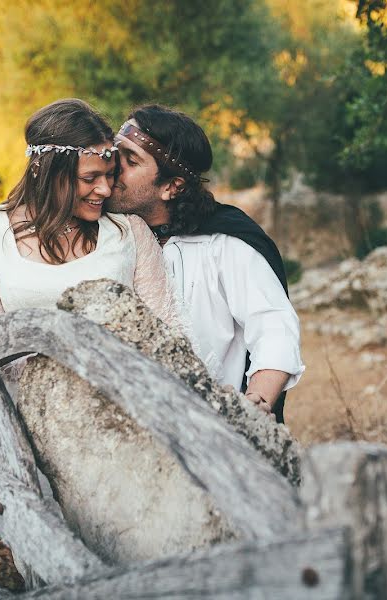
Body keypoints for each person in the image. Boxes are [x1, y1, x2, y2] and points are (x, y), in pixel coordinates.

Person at [0, 98, 179, 461]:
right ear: (47, 171)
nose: (105, 190)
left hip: (123, 425)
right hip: (25, 426)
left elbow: (168, 326)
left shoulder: (128, 232)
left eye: (109, 175)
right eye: (89, 178)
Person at [107, 104, 304, 423]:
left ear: (172, 187)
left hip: (208, 430)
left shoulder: (226, 244)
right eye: (114, 153)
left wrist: (255, 405)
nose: (113, 168)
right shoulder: (100, 236)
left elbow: (273, 328)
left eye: (130, 161)